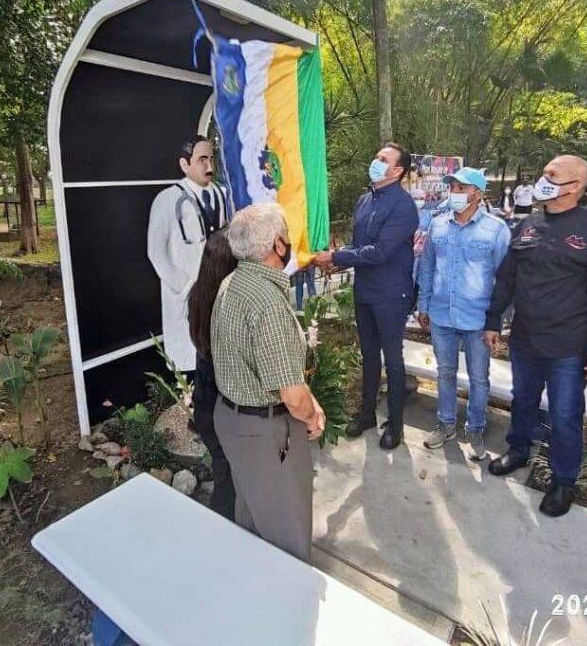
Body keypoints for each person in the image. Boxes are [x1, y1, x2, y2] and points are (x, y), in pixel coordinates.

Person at [484, 155, 587, 518]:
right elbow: (506, 279)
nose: (542, 179)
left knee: (564, 414)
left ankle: (563, 481)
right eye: (543, 172)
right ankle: (518, 451)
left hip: (569, 345)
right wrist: (493, 320)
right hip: (526, 338)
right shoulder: (528, 225)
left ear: (575, 185)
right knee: (523, 400)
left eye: (551, 175)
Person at [211, 203, 325, 561]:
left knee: (254, 519)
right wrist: (312, 416)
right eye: (287, 235)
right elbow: (293, 396)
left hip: (233, 419)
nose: (290, 242)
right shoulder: (268, 303)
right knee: (286, 537)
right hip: (265, 431)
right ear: (277, 245)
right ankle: (289, 610)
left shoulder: (233, 282)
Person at [313, 142, 418, 450]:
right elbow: (359, 246)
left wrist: (336, 256)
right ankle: (367, 413)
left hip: (391, 293)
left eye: (383, 159)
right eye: (376, 156)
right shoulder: (364, 200)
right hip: (365, 291)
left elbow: (381, 251)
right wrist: (338, 261)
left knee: (393, 359)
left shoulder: (403, 205)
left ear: (397, 171)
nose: (375, 161)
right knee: (369, 355)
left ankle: (395, 424)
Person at [417, 167, 510, 460]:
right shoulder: (438, 225)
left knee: (478, 378)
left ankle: (476, 428)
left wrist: (498, 321)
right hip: (442, 315)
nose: (455, 191)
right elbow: (428, 267)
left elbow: (506, 279)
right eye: (453, 186)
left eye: (462, 187)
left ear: (478, 194)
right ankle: (445, 425)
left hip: (478, 320)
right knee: (444, 373)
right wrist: (424, 304)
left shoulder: (496, 229)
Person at [147, 137, 229, 373]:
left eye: (211, 158)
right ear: (185, 164)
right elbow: (156, 252)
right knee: (192, 359)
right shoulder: (168, 199)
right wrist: (183, 286)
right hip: (187, 292)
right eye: (202, 159)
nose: (209, 166)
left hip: (216, 288)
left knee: (217, 352)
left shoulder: (219, 195)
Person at [186, 230, 237, 521]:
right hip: (223, 407)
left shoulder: (198, 295)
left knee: (223, 472)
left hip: (205, 404)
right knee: (229, 485)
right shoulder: (228, 305)